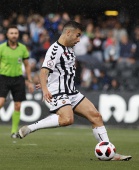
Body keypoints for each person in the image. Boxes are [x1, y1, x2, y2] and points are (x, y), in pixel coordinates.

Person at [17, 21, 132, 161]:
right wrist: (46, 89)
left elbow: (59, 71)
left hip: (71, 91)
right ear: (68, 33)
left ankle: (110, 153)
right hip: (58, 92)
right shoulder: (55, 49)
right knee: (67, 119)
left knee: (96, 117)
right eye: (77, 36)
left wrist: (49, 81)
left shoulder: (70, 48)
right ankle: (30, 128)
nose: (79, 40)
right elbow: (43, 71)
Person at [0, 25, 34, 138]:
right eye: (11, 33)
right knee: (0, 102)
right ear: (7, 35)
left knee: (18, 105)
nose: (14, 35)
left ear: (18, 35)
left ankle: (13, 131)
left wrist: (29, 81)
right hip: (3, 78)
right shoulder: (1, 48)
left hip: (18, 79)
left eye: (16, 33)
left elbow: (27, 65)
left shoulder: (22, 48)